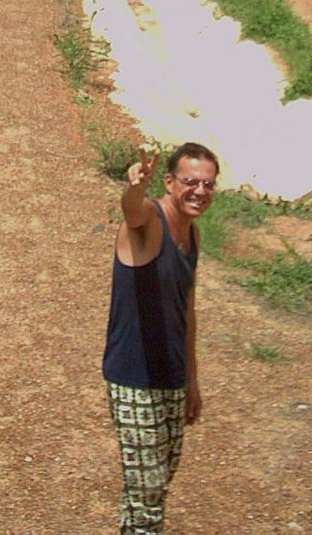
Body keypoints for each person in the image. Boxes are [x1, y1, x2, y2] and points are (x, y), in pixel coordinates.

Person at [102, 140, 220, 533]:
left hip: (171, 378)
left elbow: (187, 311)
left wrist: (192, 380)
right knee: (148, 489)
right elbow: (132, 211)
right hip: (134, 379)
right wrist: (136, 186)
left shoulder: (193, 236)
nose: (199, 192)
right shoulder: (151, 218)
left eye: (208, 184)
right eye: (190, 182)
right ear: (169, 182)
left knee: (154, 486)